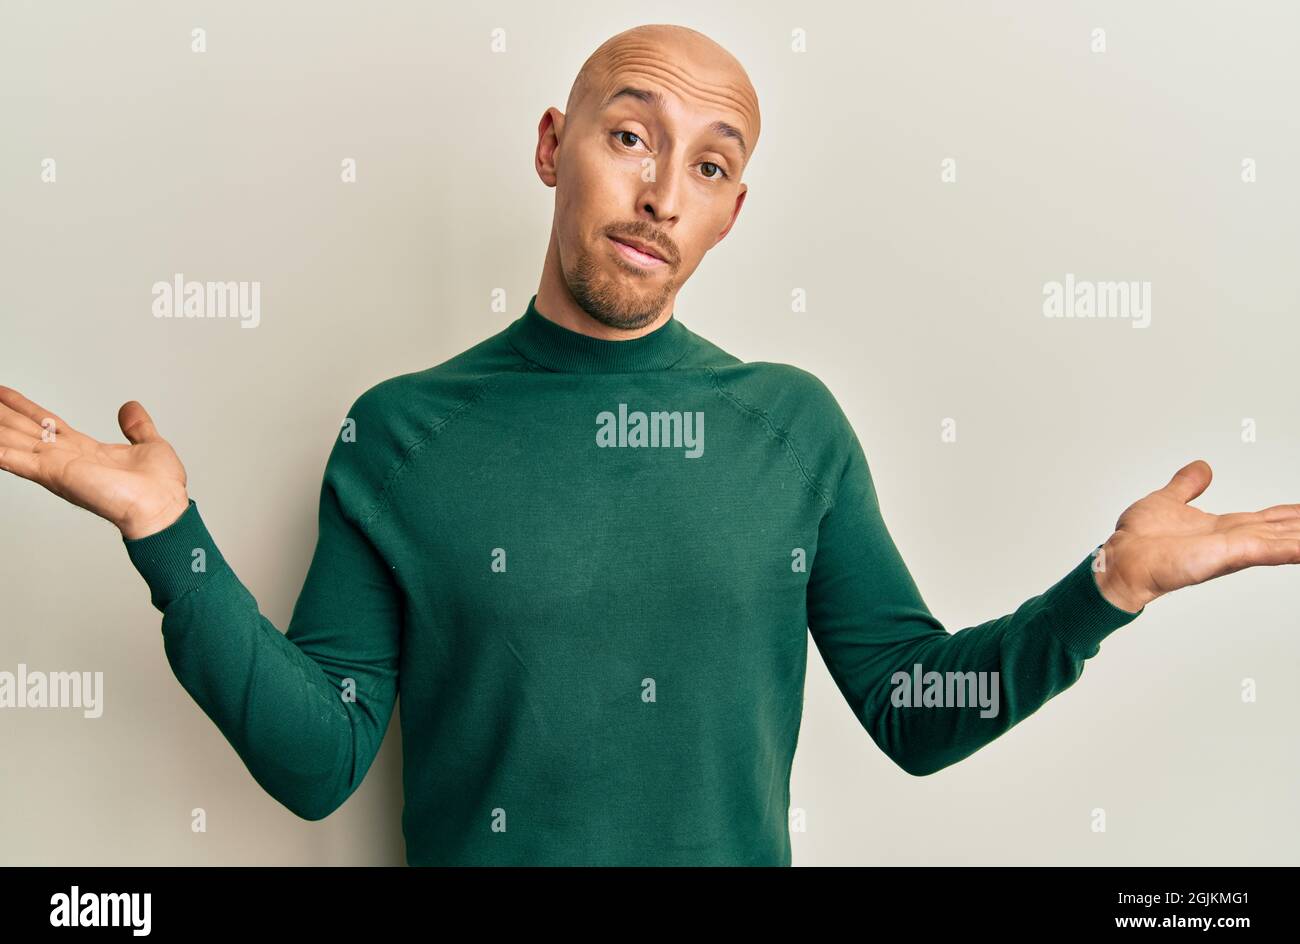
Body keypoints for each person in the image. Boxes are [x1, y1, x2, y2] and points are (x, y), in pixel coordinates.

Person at [2, 23, 1297, 866]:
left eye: (712, 166)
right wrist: (167, 538)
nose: (664, 192)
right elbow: (319, 763)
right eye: (631, 137)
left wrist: (1106, 593)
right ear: (555, 149)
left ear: (735, 213)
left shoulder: (794, 427)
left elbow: (915, 710)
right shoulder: (400, 433)